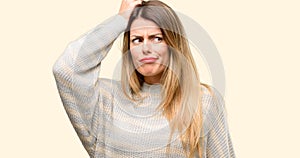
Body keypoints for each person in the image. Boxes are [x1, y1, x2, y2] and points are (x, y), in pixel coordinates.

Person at [52, 0, 236, 157]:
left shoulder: (204, 101)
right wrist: (119, 21)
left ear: (173, 43)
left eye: (156, 38)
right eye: (137, 40)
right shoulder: (107, 101)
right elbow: (66, 69)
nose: (145, 48)